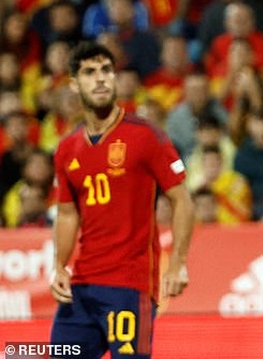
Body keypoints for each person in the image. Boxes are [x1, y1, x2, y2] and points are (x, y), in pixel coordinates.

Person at [49, 42, 195, 358]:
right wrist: (59, 266)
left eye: (106, 70)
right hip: (82, 285)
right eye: (89, 72)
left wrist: (178, 263)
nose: (100, 78)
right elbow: (67, 214)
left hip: (130, 285)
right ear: (74, 83)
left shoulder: (146, 136)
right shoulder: (66, 148)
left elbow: (182, 199)